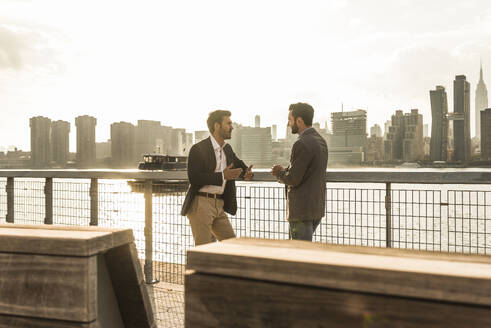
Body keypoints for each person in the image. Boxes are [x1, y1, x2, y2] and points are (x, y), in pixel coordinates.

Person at [181, 110, 253, 245]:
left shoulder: (227, 149)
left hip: (219, 205)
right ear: (217, 126)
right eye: (228, 123)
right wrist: (222, 176)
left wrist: (247, 173)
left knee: (232, 245)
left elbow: (240, 166)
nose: (232, 127)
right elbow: (194, 178)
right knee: (203, 250)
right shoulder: (198, 149)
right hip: (200, 204)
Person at [272, 103, 328, 241]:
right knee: (303, 250)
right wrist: (287, 171)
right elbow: (306, 171)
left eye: (290, 120)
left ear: (299, 120)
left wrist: (279, 173)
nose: (288, 124)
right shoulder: (321, 141)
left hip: (301, 211)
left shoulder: (301, 143)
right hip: (316, 207)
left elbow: (293, 178)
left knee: (299, 253)